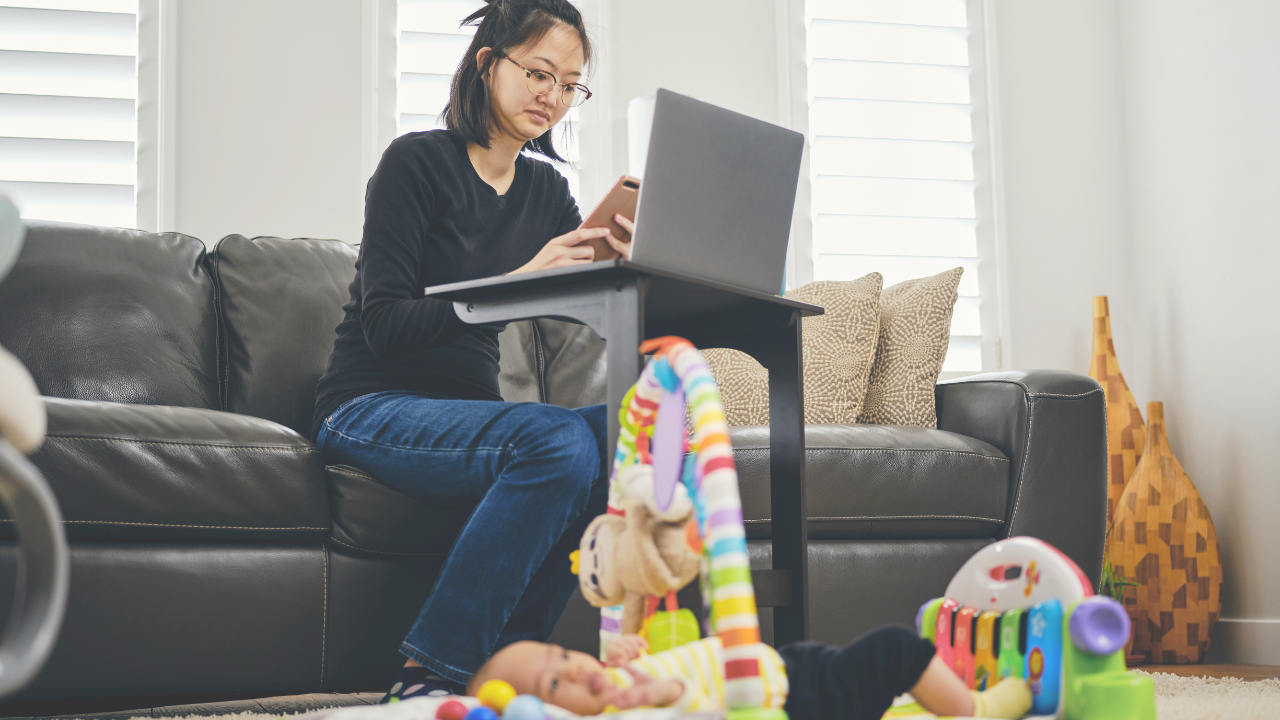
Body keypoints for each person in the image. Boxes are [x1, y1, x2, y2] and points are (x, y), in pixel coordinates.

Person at [312, 0, 631, 703]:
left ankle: (507, 677)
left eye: (569, 84)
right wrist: (519, 281)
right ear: (488, 64)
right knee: (554, 440)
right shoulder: (415, 163)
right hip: (370, 404)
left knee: (628, 436)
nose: (552, 96)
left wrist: (629, 267)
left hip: (471, 417)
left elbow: (589, 304)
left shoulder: (546, 191)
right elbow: (386, 324)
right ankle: (434, 676)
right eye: (538, 73)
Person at [468, 630, 1034, 720]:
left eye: (562, 655)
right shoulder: (628, 710)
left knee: (846, 658)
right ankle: (977, 710)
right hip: (797, 701)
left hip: (787, 666)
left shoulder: (614, 680)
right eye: (553, 686)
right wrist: (658, 690)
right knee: (895, 650)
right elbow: (693, 705)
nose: (573, 670)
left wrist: (629, 653)